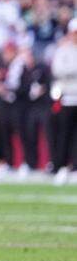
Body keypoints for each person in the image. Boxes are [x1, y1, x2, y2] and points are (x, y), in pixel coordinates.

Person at [51, 20, 77, 184]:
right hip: (67, 97)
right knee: (64, 135)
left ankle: (75, 168)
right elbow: (57, 70)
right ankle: (61, 167)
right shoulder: (63, 50)